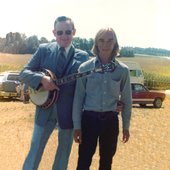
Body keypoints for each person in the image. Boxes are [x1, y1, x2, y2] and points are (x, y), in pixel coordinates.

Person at [20, 16, 89, 170]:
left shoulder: (83, 56)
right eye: (59, 32)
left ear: (74, 32)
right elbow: (23, 73)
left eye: (68, 32)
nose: (64, 36)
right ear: (54, 32)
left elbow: (86, 88)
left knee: (63, 155)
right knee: (35, 151)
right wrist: (41, 79)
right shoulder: (44, 50)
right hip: (43, 111)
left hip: (68, 114)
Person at [73, 27, 132, 170]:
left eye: (110, 40)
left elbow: (127, 100)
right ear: (96, 43)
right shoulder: (85, 68)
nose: (105, 44)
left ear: (115, 44)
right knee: (84, 161)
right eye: (101, 40)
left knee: (106, 162)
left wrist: (126, 126)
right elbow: (78, 99)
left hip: (110, 122)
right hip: (89, 120)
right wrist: (77, 126)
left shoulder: (122, 70)